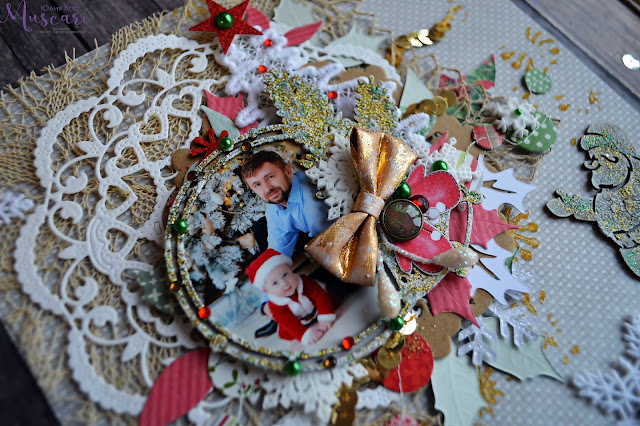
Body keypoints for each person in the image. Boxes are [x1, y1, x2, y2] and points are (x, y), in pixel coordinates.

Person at [241, 150, 333, 258]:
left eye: (270, 177)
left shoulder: (312, 191)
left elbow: (331, 243)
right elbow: (276, 253)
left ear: (287, 170)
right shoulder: (273, 210)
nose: (267, 188)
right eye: (257, 184)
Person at [245, 249, 335, 344]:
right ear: (266, 290)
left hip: (315, 309)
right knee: (286, 331)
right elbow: (288, 322)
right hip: (299, 319)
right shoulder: (275, 305)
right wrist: (305, 335)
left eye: (285, 275)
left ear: (290, 269)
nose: (284, 283)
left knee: (330, 299)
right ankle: (279, 324)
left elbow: (319, 295)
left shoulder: (304, 282)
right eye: (275, 283)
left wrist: (326, 317)